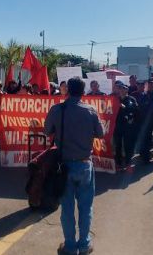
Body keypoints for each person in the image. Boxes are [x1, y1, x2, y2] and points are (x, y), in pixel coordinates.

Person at [44, 77, 104, 255]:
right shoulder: (91, 111)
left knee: (67, 208)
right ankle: (84, 245)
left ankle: (70, 247)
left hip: (64, 167)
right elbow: (100, 134)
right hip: (85, 165)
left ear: (68, 90)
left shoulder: (57, 110)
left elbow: (47, 131)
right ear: (84, 91)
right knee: (86, 207)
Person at [113, 80, 139, 171]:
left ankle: (128, 163)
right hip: (117, 125)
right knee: (118, 145)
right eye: (120, 88)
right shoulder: (115, 99)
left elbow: (135, 110)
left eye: (123, 88)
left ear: (127, 90)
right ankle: (118, 163)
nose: (121, 90)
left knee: (128, 145)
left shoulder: (131, 99)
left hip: (128, 126)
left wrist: (124, 107)